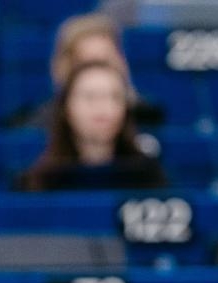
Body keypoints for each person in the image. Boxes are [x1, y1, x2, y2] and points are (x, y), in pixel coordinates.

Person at [18, 60, 166, 192]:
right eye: (90, 97)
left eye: (114, 96)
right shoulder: (37, 184)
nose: (102, 107)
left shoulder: (149, 180)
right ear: (65, 108)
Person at [8, 12, 164, 129]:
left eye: (103, 63)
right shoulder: (35, 127)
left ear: (121, 63)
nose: (96, 75)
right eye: (86, 65)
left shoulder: (148, 119)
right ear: (62, 68)